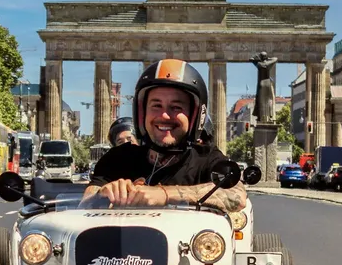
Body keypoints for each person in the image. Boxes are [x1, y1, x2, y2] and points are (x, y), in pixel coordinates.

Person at [81, 59, 247, 212]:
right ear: (142, 113)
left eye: (176, 107)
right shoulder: (117, 158)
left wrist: (164, 194)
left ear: (195, 117)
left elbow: (236, 195)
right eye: (156, 106)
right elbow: (85, 203)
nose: (165, 115)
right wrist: (102, 194)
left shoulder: (206, 159)